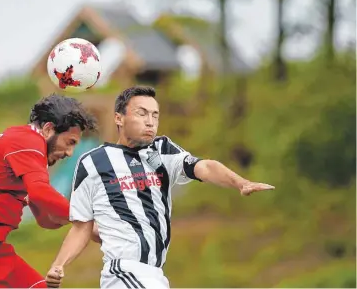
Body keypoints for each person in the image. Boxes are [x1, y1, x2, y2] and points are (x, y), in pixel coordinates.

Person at [45, 86, 275, 289]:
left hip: (154, 274)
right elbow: (82, 227)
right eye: (141, 113)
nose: (150, 121)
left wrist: (240, 183)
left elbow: (204, 167)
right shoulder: (93, 162)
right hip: (124, 272)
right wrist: (58, 265)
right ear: (119, 118)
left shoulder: (162, 150)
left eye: (155, 115)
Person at [0, 94, 97, 288]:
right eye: (70, 142)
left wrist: (84, 227)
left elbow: (45, 219)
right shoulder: (26, 140)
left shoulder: (29, 154)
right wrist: (85, 218)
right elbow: (40, 192)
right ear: (48, 129)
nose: (69, 153)